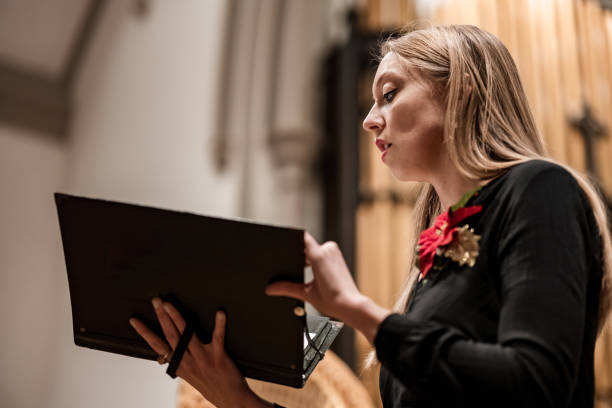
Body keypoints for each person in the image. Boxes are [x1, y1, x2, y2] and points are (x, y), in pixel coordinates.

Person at [130, 24, 612, 407]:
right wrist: (237, 399)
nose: (368, 119)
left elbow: (537, 383)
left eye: (389, 93)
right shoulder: (429, 265)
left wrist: (360, 312)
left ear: (459, 90)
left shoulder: (541, 188)